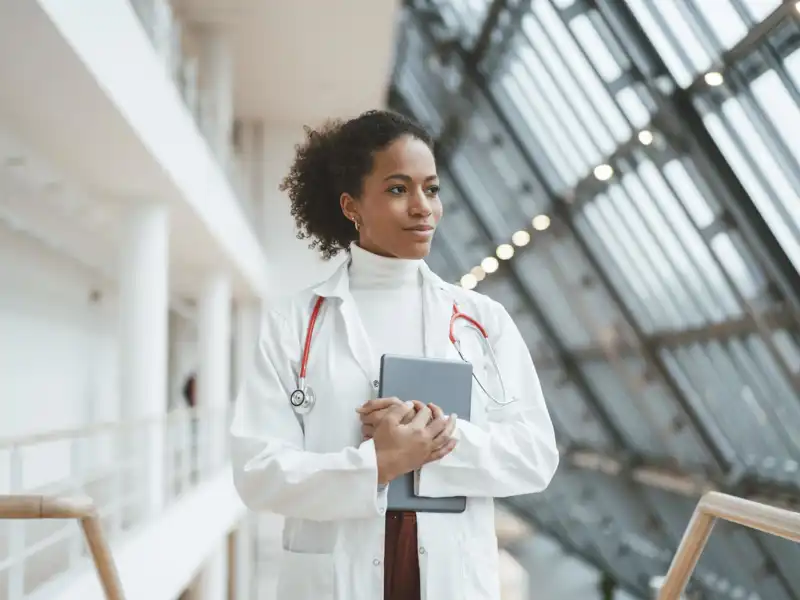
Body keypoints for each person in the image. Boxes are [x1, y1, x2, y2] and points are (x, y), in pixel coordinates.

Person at [230, 110, 559, 600]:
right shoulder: (294, 323)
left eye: (432, 188)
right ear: (351, 205)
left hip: (449, 573)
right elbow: (257, 472)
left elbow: (535, 456)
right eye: (398, 189)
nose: (423, 207)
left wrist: (433, 444)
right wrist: (375, 465)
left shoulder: (481, 321)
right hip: (335, 576)